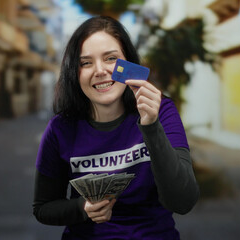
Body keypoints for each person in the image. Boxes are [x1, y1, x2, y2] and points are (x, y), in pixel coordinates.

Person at [33, 16, 200, 240]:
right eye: (86, 63)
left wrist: (150, 126)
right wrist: (82, 208)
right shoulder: (60, 129)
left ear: (128, 64)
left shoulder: (161, 110)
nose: (100, 70)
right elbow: (43, 207)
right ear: (75, 72)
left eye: (111, 58)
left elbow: (183, 201)